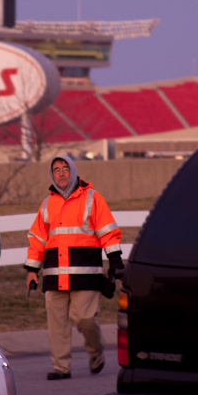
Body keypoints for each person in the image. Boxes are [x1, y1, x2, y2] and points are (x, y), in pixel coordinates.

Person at [24, 155, 124, 380]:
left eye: (65, 168)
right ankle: (61, 367)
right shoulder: (47, 203)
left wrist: (115, 260)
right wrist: (32, 270)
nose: (61, 173)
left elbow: (108, 231)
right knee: (57, 323)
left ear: (73, 171)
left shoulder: (92, 197)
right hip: (54, 274)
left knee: (85, 319)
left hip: (86, 274)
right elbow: (38, 238)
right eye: (56, 169)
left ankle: (96, 351)